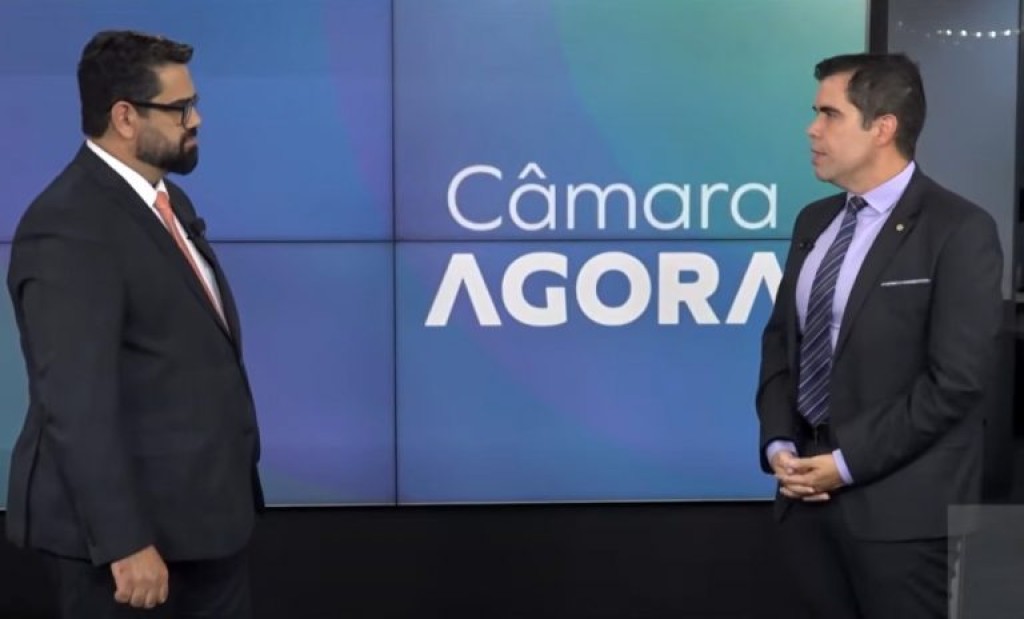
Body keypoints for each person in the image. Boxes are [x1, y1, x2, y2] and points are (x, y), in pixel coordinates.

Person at [5, 30, 263, 618]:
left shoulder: (167, 203)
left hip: (205, 531)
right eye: (180, 108)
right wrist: (124, 541)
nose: (196, 120)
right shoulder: (69, 225)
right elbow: (76, 401)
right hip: (132, 557)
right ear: (124, 117)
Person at [756, 52, 1002, 618]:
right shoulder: (813, 221)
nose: (812, 129)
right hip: (805, 503)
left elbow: (956, 382)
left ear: (883, 127)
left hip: (902, 518)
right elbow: (782, 343)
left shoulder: (959, 229)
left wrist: (844, 463)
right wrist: (780, 445)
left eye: (829, 114)